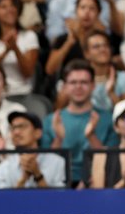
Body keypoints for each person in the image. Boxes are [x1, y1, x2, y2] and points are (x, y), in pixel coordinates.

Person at [41, 59, 117, 187]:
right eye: (73, 82)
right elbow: (46, 163)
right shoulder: (51, 120)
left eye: (84, 82)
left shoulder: (108, 118)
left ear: (93, 86)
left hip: (97, 182)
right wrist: (58, 139)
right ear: (64, 86)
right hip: (59, 183)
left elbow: (111, 161)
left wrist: (91, 136)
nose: (78, 87)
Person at [0, 0, 39, 96]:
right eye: (3, 7)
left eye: (13, 6)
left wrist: (15, 48)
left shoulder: (29, 36)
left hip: (22, 93)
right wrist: (6, 51)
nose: (10, 9)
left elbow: (28, 73)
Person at [0, 111, 66, 189]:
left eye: (22, 126)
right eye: (13, 128)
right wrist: (23, 180)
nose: (16, 132)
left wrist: (38, 175)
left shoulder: (57, 162)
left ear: (37, 133)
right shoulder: (3, 167)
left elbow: (59, 199)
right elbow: (3, 200)